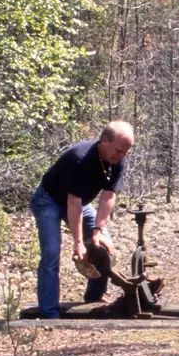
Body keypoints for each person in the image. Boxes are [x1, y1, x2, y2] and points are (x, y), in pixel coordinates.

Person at [29, 121, 134, 319]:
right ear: (104, 141)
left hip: (81, 202)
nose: (121, 156)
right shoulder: (80, 158)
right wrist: (78, 243)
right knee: (51, 252)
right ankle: (49, 312)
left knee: (103, 246)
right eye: (119, 150)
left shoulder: (118, 160)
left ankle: (94, 298)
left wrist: (97, 231)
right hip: (48, 200)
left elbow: (108, 196)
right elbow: (73, 204)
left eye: (126, 152)